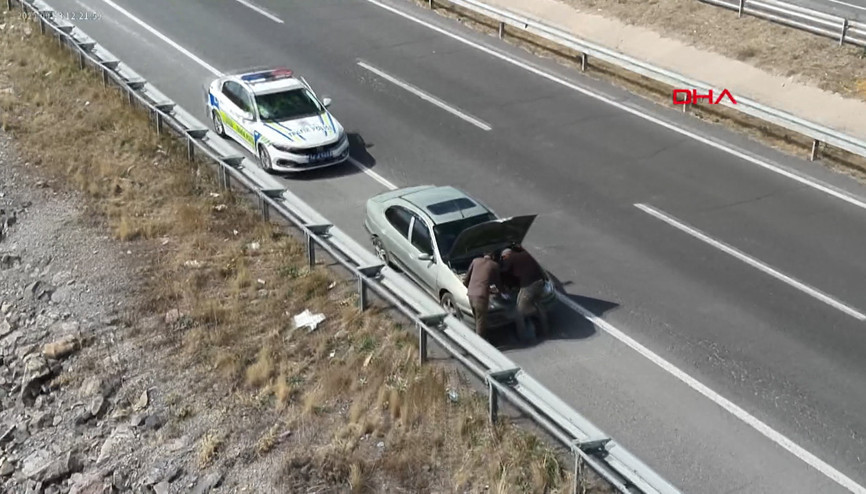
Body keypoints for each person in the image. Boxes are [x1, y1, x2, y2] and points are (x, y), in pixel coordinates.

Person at [500, 246, 550, 340]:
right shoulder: (526, 254)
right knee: (539, 306)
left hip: (529, 285)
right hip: (540, 282)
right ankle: (545, 331)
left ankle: (523, 337)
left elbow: (504, 273)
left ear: (506, 255)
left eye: (503, 258)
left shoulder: (510, 259)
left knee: (519, 312)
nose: (503, 259)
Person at [463, 251, 502, 339]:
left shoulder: (475, 261)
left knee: (476, 318)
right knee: (481, 321)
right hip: (481, 296)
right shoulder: (494, 265)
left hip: (471, 293)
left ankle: (479, 338)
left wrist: (469, 287)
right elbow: (497, 282)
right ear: (493, 256)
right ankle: (479, 344)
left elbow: (466, 278)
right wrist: (500, 291)